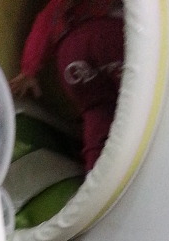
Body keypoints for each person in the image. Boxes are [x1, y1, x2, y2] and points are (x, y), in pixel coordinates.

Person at [9, 0, 124, 171]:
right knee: (136, 95)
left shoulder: (57, 6)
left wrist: (28, 69)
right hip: (107, 33)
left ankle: (96, 171)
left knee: (96, 113)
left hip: (71, 56)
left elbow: (42, 26)